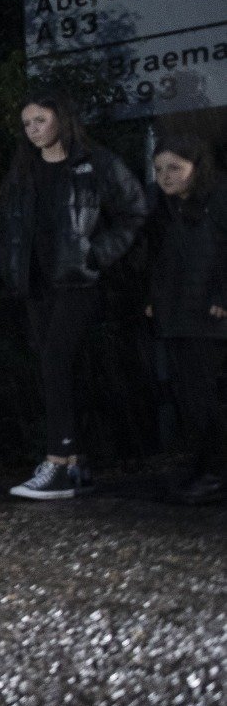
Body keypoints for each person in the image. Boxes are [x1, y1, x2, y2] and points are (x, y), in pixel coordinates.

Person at [0, 90, 146, 500]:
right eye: (27, 124)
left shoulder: (95, 163)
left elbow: (135, 211)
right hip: (38, 286)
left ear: (60, 118)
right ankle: (77, 463)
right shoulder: (24, 170)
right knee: (58, 370)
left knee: (57, 363)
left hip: (79, 283)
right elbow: (10, 224)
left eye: (40, 121)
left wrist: (97, 254)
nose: (33, 130)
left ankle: (58, 462)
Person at [144, 134, 227, 504]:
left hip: (210, 318)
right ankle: (204, 467)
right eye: (159, 169)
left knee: (209, 397)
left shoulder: (218, 199)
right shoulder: (165, 209)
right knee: (190, 398)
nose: (166, 175)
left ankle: (215, 473)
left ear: (197, 167)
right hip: (178, 315)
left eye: (175, 167)